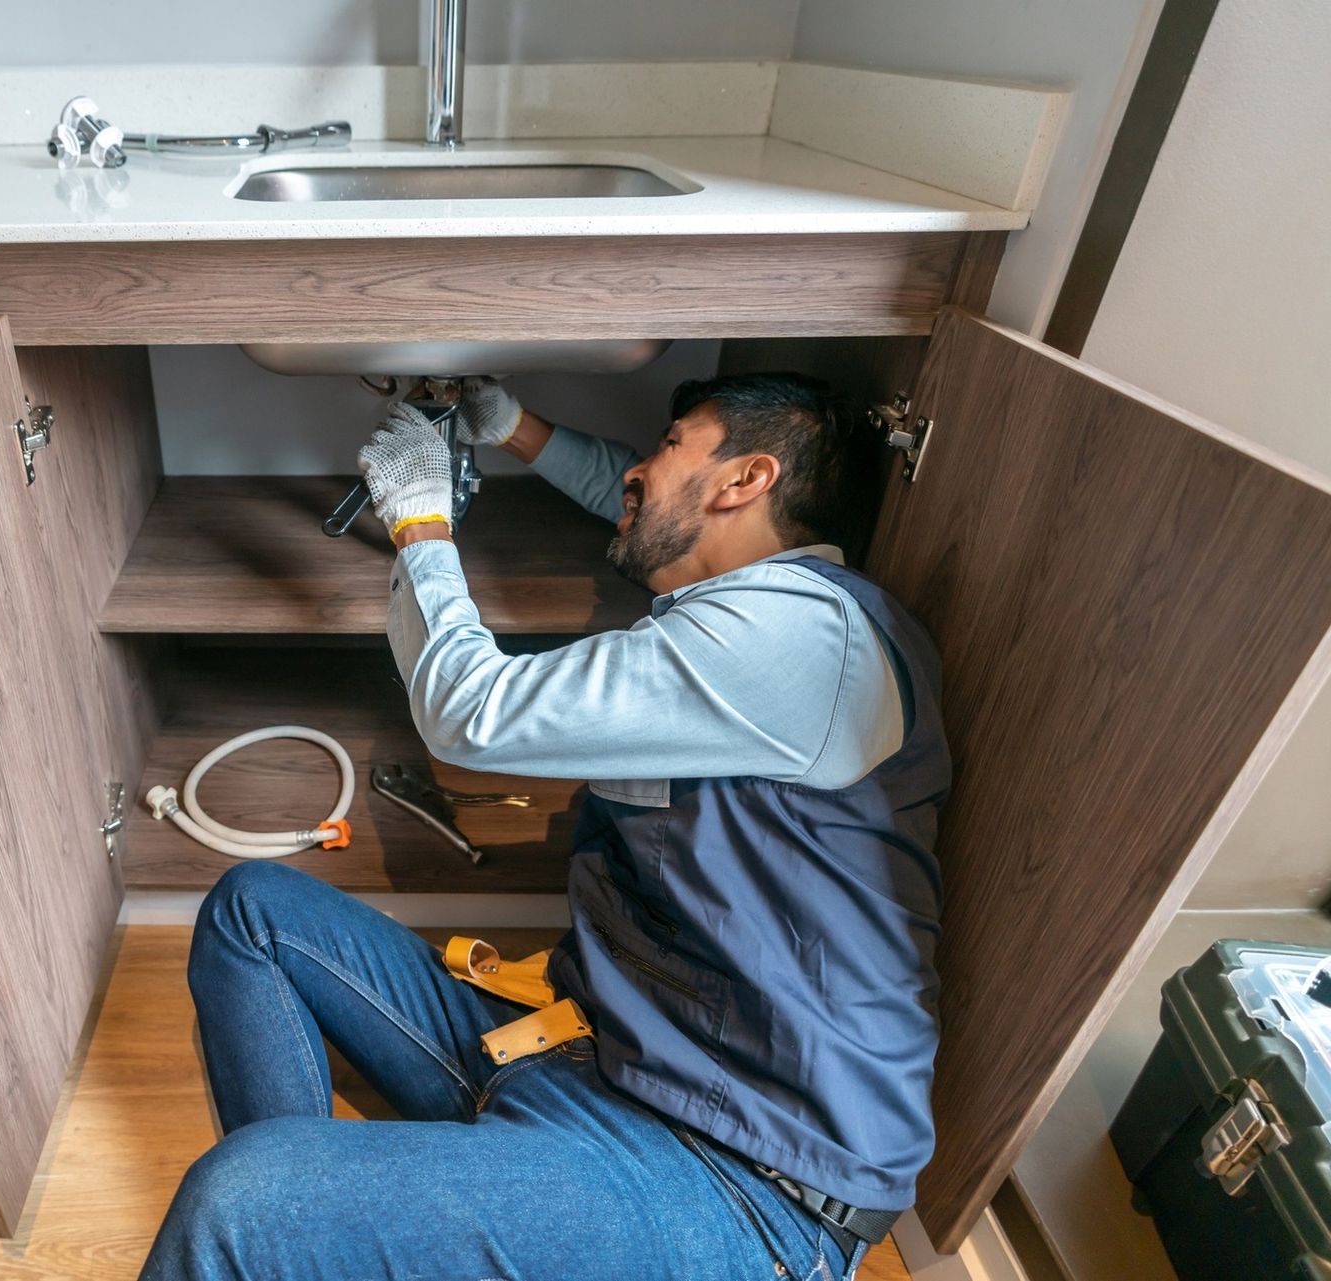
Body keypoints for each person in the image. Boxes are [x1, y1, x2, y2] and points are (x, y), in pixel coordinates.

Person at [140, 373, 950, 1281]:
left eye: (671, 442)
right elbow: (634, 501)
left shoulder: (800, 640)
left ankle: (283, 1226)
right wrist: (513, 426)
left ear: (743, 481)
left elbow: (470, 714)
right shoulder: (762, 619)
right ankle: (310, 1240)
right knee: (254, 912)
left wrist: (419, 520)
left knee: (238, 1201)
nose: (636, 467)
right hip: (597, 1054)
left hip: (735, 1176)